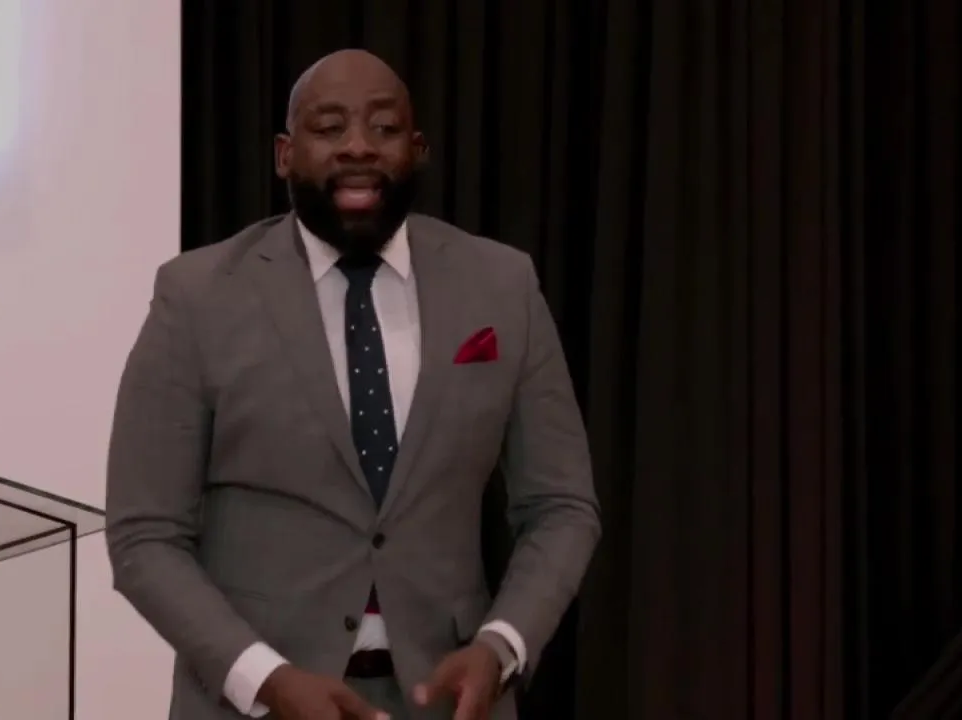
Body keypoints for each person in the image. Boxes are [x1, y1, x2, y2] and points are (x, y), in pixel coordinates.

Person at [105, 48, 600, 720]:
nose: (359, 146)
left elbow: (562, 506)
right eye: (329, 127)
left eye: (385, 128)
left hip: (449, 704)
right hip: (254, 706)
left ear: (418, 150)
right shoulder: (197, 298)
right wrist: (267, 680)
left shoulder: (501, 286)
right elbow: (144, 534)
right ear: (284, 155)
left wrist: (501, 646)